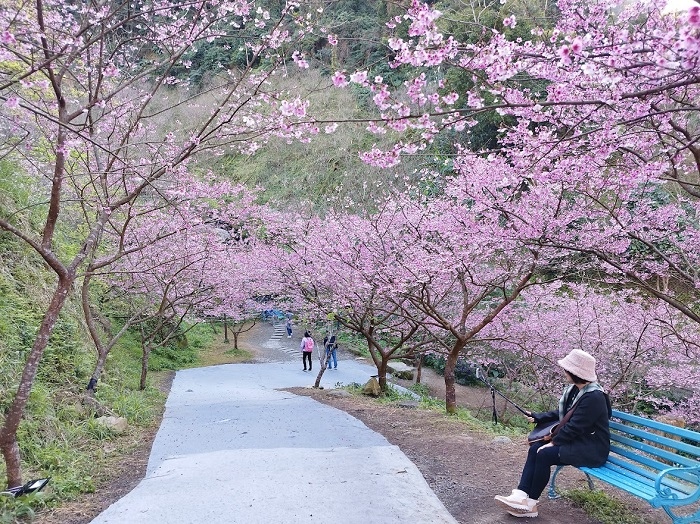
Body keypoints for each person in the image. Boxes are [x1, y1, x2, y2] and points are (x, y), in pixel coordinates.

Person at [494, 349, 611, 518]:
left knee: (544, 454)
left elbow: (576, 427)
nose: (563, 371)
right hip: (577, 441)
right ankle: (520, 494)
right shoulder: (576, 390)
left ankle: (530, 505)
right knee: (535, 449)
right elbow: (562, 413)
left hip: (592, 448)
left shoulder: (594, 397)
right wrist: (537, 417)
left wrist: (554, 442)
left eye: (566, 369)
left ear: (574, 372)